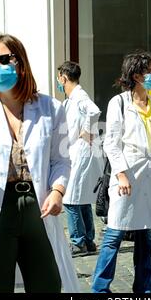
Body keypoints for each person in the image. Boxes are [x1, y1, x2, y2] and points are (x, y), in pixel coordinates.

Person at [0, 33, 79, 293]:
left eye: (4, 59)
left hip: (37, 206)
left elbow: (61, 160)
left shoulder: (50, 108)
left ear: (20, 63)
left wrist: (57, 191)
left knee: (48, 283)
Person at [91, 50, 151, 293]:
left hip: (149, 174)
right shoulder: (119, 103)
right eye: (150, 71)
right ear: (137, 75)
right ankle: (99, 289)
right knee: (114, 233)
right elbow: (111, 142)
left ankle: (144, 288)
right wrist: (120, 174)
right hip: (127, 174)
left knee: (144, 236)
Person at [57, 61, 103, 257]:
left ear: (64, 78)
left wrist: (87, 130)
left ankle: (78, 241)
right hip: (78, 151)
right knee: (81, 197)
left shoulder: (79, 97)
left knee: (70, 198)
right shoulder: (71, 99)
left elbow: (94, 111)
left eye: (59, 78)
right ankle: (89, 240)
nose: (58, 81)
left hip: (81, 151)